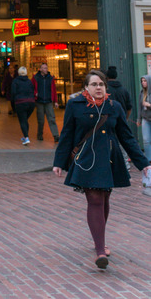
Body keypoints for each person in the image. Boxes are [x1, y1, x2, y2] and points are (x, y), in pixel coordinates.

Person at [52, 70, 151, 269]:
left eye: (101, 84)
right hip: (86, 159)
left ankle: (100, 239)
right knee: (95, 199)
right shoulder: (75, 105)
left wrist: (143, 163)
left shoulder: (114, 107)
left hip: (109, 158)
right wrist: (59, 161)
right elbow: (67, 134)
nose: (98, 88)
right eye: (94, 84)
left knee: (104, 198)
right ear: (86, 87)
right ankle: (99, 251)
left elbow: (126, 137)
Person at [32, 63, 59, 142]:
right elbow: (31, 87)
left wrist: (56, 101)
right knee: (41, 120)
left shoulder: (50, 78)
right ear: (40, 69)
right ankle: (39, 134)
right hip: (39, 101)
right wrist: (35, 94)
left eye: (46, 68)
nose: (45, 70)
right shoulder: (35, 78)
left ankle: (56, 135)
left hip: (48, 101)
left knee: (52, 119)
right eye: (44, 68)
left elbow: (54, 90)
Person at [10, 66, 35, 145]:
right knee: (25, 120)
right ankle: (25, 136)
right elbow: (32, 90)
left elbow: (13, 93)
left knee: (23, 121)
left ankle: (26, 138)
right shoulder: (29, 81)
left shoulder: (15, 81)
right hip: (31, 103)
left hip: (20, 103)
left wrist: (13, 103)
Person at [138, 75, 151, 161]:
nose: (143, 83)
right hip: (145, 118)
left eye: (145, 81)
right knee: (146, 140)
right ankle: (148, 158)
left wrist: (149, 105)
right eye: (142, 81)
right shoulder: (142, 93)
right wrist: (138, 119)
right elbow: (139, 107)